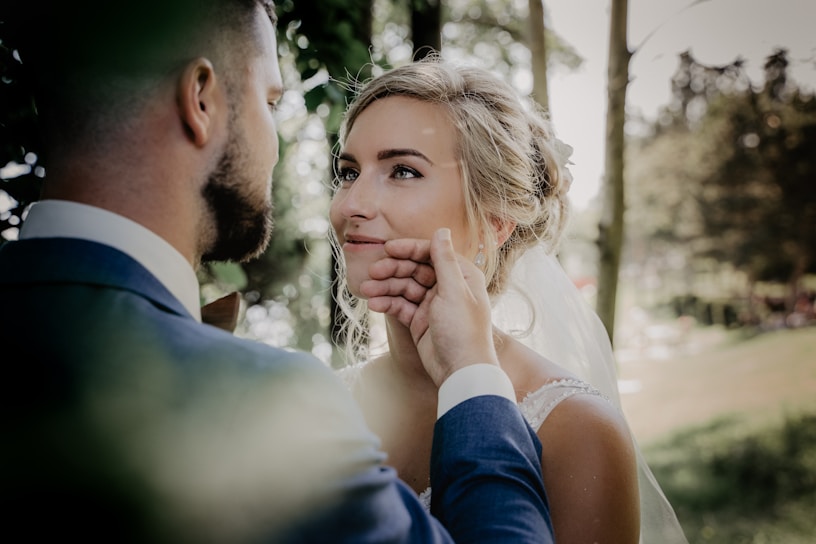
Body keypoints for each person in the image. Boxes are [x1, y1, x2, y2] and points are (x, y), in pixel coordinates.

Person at [0, 2, 555, 542]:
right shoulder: (264, 401)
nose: (350, 204)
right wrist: (475, 377)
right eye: (269, 102)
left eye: (403, 170)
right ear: (200, 99)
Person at [331, 56, 689, 543]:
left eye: (403, 171)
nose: (350, 205)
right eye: (348, 172)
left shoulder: (574, 429)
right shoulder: (320, 403)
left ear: (494, 222)